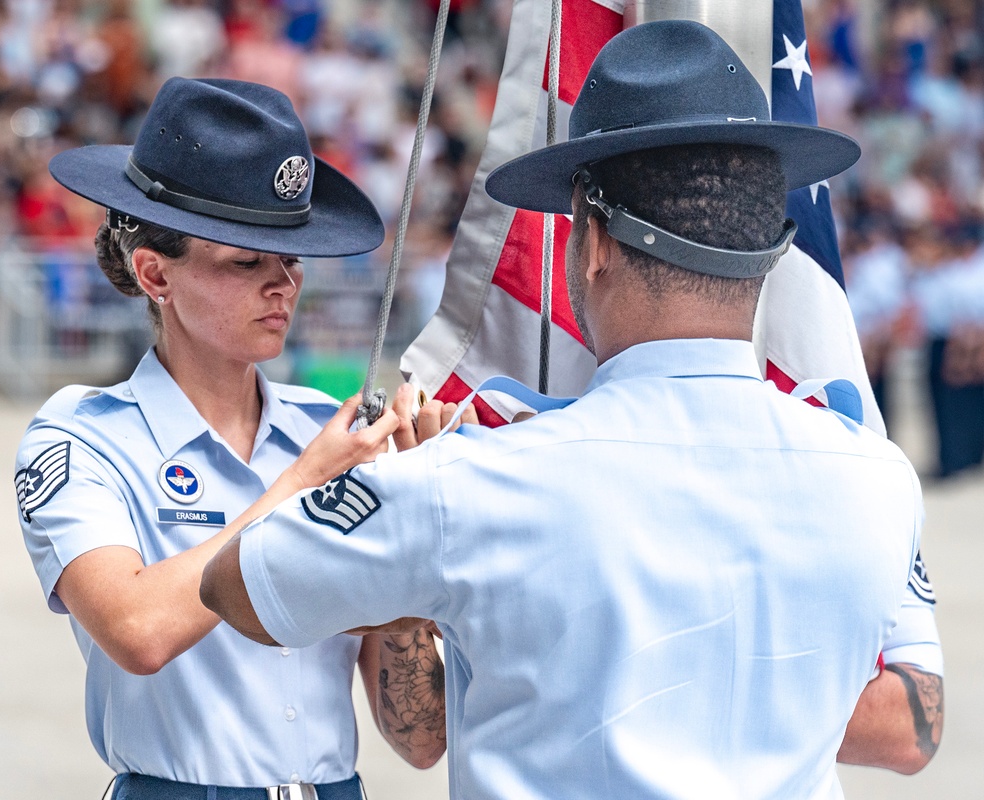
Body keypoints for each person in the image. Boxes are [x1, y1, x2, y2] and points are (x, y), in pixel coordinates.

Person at [202, 21, 923, 798]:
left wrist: (392, 509)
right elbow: (915, 722)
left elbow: (236, 585)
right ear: (772, 243)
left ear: (595, 241)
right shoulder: (876, 476)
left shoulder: (471, 479)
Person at [14, 76, 445, 799]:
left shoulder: (331, 431)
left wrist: (411, 570)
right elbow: (138, 630)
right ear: (155, 274)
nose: (283, 285)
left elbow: (422, 740)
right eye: (247, 262)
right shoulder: (83, 437)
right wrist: (300, 486)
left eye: (292, 259)